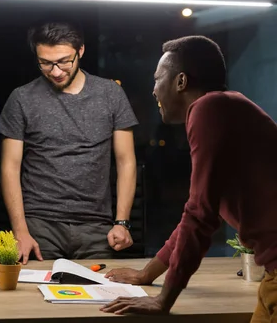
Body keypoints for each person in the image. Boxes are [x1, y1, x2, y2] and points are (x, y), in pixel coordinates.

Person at [101, 35, 277, 321]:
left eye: (158, 79)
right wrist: (148, 274)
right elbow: (195, 215)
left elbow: (200, 216)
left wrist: (163, 300)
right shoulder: (228, 106)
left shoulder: (208, 109)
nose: (154, 91)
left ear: (181, 81)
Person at [0, 22, 139, 263]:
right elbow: (10, 168)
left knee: (100, 297)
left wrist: (122, 222)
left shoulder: (110, 94)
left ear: (81, 51)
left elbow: (126, 162)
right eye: (45, 62)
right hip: (39, 226)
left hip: (97, 227)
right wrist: (20, 230)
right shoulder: (21, 98)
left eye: (64, 61)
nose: (55, 71)